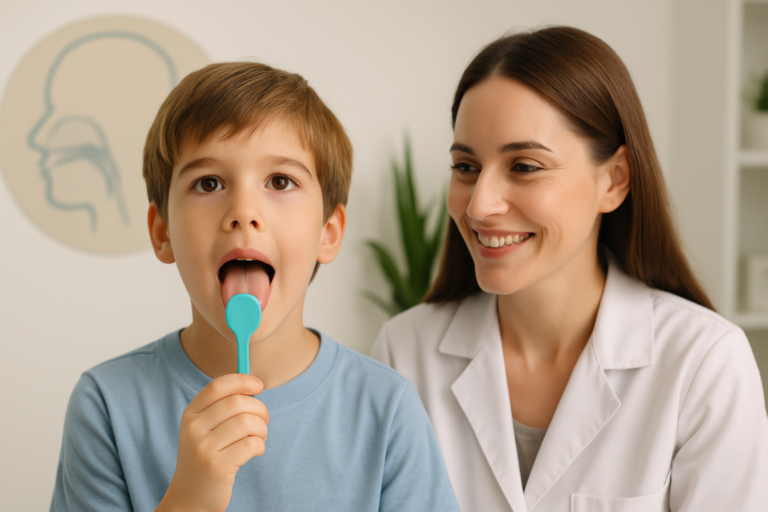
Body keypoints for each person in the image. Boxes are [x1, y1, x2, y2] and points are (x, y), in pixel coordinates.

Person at [372, 26, 768, 512]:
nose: (479, 205)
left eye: (525, 166)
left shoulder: (705, 363)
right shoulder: (403, 352)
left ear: (614, 181)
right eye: (466, 167)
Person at [50, 62, 459, 512]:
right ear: (162, 232)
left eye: (280, 182)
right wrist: (189, 499)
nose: (244, 211)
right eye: (209, 183)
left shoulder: (387, 410)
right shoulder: (107, 405)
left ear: (329, 232)